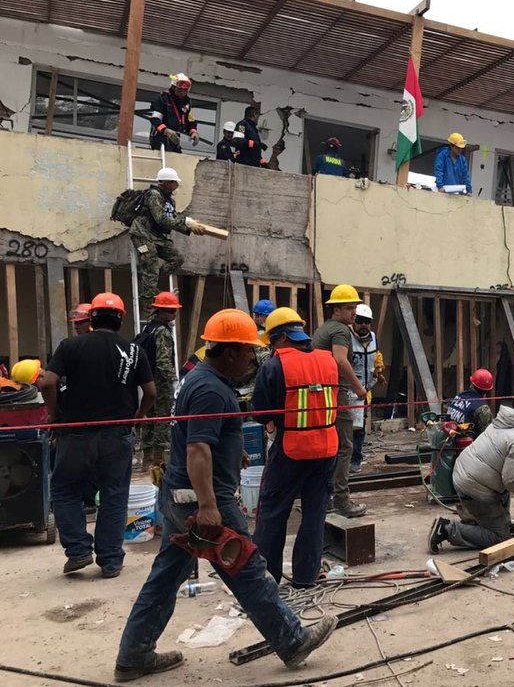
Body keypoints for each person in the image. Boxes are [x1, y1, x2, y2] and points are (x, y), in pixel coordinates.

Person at [114, 309, 336, 682]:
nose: (253, 357)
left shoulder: (200, 381)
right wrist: (208, 506)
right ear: (230, 352)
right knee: (248, 571)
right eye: (248, 351)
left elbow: (204, 442)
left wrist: (233, 454)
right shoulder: (211, 390)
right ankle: (293, 640)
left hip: (181, 493)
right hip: (201, 499)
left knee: (166, 577)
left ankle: (133, 655)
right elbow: (198, 449)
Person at [39, 293, 156, 578]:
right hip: (118, 434)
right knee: (115, 494)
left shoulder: (71, 346)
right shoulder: (133, 350)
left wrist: (54, 415)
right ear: (121, 319)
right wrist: (140, 414)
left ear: (91, 318)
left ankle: (79, 551)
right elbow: (151, 392)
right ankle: (111, 560)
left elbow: (48, 383)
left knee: (65, 491)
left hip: (76, 433)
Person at [252, 308, 339, 587]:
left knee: (273, 512)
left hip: (291, 448)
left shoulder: (275, 365)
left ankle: (267, 578)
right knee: (315, 513)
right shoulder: (328, 361)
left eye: (272, 342)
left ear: (282, 338)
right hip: (327, 448)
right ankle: (306, 576)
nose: (272, 348)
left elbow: (260, 413)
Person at [427, 396, 514, 552]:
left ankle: (486, 520)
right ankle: (447, 529)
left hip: (467, 472)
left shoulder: (509, 422)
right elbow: (513, 482)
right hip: (473, 485)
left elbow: (510, 458)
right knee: (500, 538)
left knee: (504, 488)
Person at [312, 284, 369, 517]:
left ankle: (322, 497)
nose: (354, 312)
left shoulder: (324, 329)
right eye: (349, 308)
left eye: (355, 307)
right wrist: (360, 389)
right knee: (345, 446)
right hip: (336, 393)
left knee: (329, 448)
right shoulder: (341, 331)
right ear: (336, 310)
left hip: (322, 394)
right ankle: (342, 502)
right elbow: (340, 360)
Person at [129, 167, 206, 320]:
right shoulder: (154, 195)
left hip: (158, 237)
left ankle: (151, 283)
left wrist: (189, 226)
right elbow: (161, 218)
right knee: (150, 264)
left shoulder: (169, 199)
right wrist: (186, 223)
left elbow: (172, 218)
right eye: (174, 183)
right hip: (142, 235)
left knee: (177, 259)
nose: (177, 186)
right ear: (166, 183)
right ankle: (147, 305)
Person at [134, 291, 181, 476]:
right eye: (171, 312)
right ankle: (158, 461)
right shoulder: (162, 331)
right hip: (160, 382)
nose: (173, 315)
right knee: (162, 419)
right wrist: (172, 382)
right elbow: (163, 361)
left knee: (150, 418)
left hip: (148, 380)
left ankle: (146, 459)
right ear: (161, 311)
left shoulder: (149, 327)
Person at [349, 304, 385, 472]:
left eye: (367, 322)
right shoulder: (346, 337)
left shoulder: (373, 337)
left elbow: (375, 356)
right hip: (348, 391)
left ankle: (356, 459)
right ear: (354, 321)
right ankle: (345, 459)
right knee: (346, 427)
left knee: (360, 427)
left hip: (364, 391)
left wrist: (379, 372)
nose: (363, 325)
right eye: (360, 321)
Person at [148, 73, 198, 153]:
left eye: (185, 90)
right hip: (161, 138)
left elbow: (190, 120)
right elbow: (155, 119)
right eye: (179, 90)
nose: (182, 93)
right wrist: (166, 130)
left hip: (175, 139)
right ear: (173, 87)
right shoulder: (163, 99)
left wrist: (193, 132)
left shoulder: (186, 103)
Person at [446, 369, 494, 437]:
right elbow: (487, 436)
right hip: (466, 444)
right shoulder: (482, 408)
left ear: (472, 383)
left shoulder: (459, 396)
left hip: (450, 438)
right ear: (487, 390)